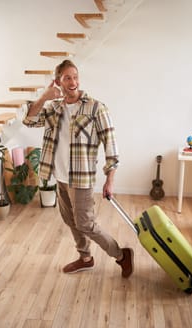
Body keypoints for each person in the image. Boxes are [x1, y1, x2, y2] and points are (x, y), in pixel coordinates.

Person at [23, 59, 134, 278]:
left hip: (81, 179)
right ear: (58, 81)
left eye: (75, 76)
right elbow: (29, 120)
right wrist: (45, 96)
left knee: (85, 223)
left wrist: (109, 179)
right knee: (70, 220)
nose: (73, 82)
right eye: (67, 78)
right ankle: (85, 258)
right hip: (60, 177)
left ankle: (121, 255)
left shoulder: (95, 107)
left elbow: (111, 146)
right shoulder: (53, 108)